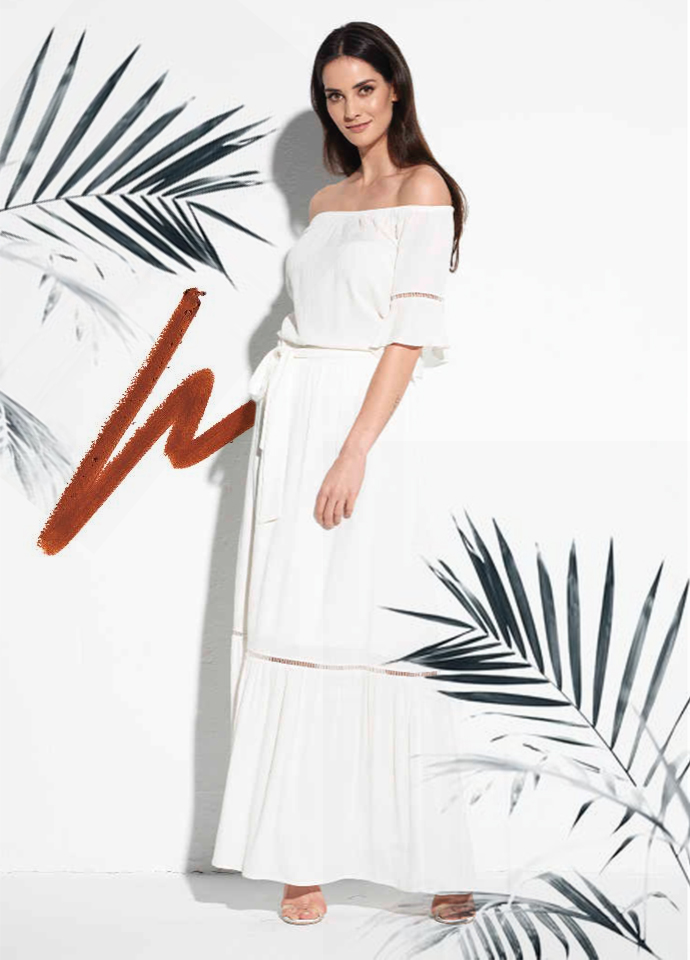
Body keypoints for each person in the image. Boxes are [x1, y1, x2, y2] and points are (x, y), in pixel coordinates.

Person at [212, 21, 477, 925]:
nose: (350, 107)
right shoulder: (325, 204)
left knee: (388, 627)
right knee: (297, 621)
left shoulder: (423, 186)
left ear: (395, 90)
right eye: (335, 94)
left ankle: (436, 853)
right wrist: (303, 432)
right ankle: (301, 859)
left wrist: (355, 447)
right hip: (297, 421)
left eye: (365, 88)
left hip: (369, 422)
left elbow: (409, 334)